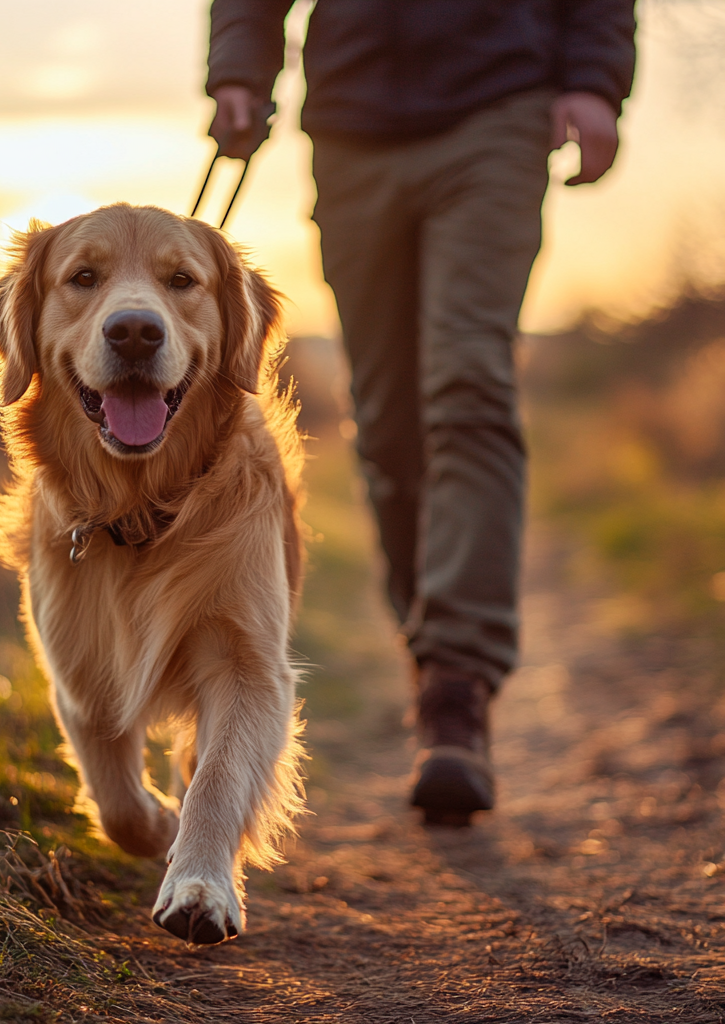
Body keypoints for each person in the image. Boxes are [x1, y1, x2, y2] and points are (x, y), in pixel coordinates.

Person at [205, 1, 636, 824]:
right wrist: (237, 69)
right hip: (351, 122)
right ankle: (427, 636)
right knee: (387, 420)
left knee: (468, 383)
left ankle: (455, 683)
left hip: (498, 106)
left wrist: (593, 80)